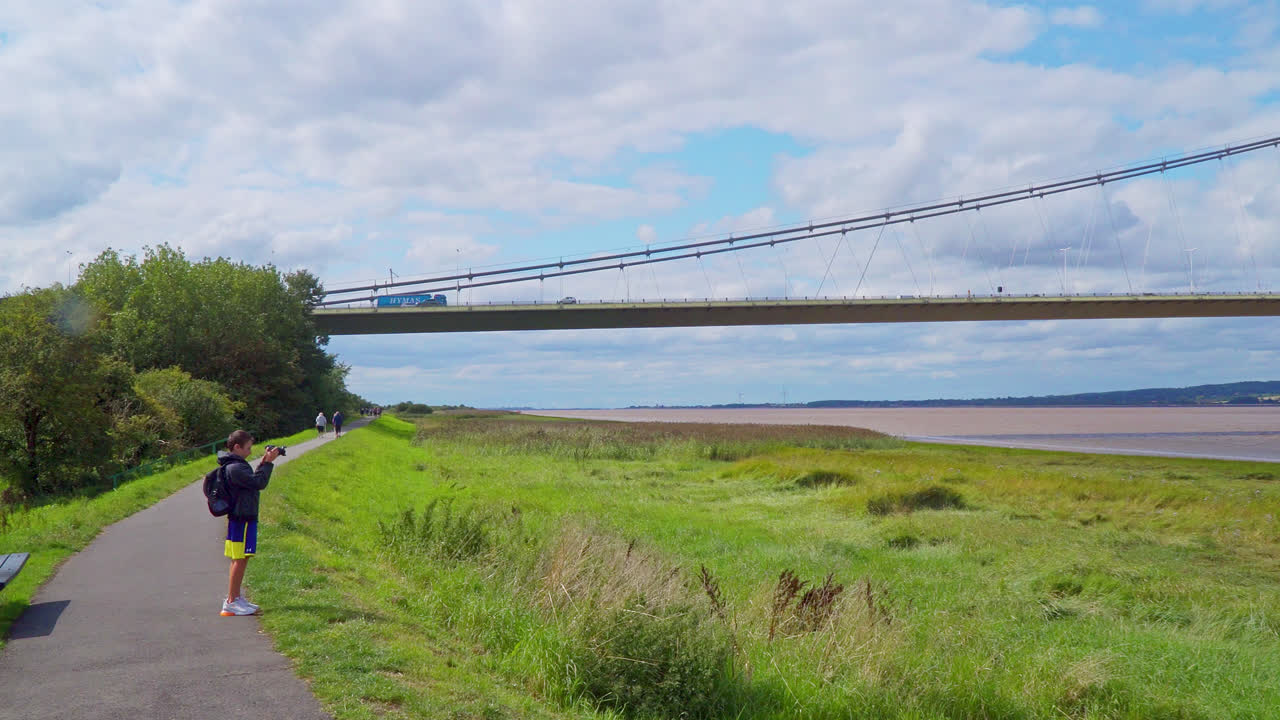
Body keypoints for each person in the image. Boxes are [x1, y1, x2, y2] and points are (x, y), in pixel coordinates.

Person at [218, 429, 281, 616]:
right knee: (239, 559)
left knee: (242, 558)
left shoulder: (236, 465)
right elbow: (259, 483)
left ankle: (236, 598)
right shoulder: (235, 467)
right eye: (248, 448)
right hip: (242, 518)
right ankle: (231, 601)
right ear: (236, 447)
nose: (250, 452)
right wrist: (268, 464)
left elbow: (252, 481)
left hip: (243, 517)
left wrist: (263, 463)